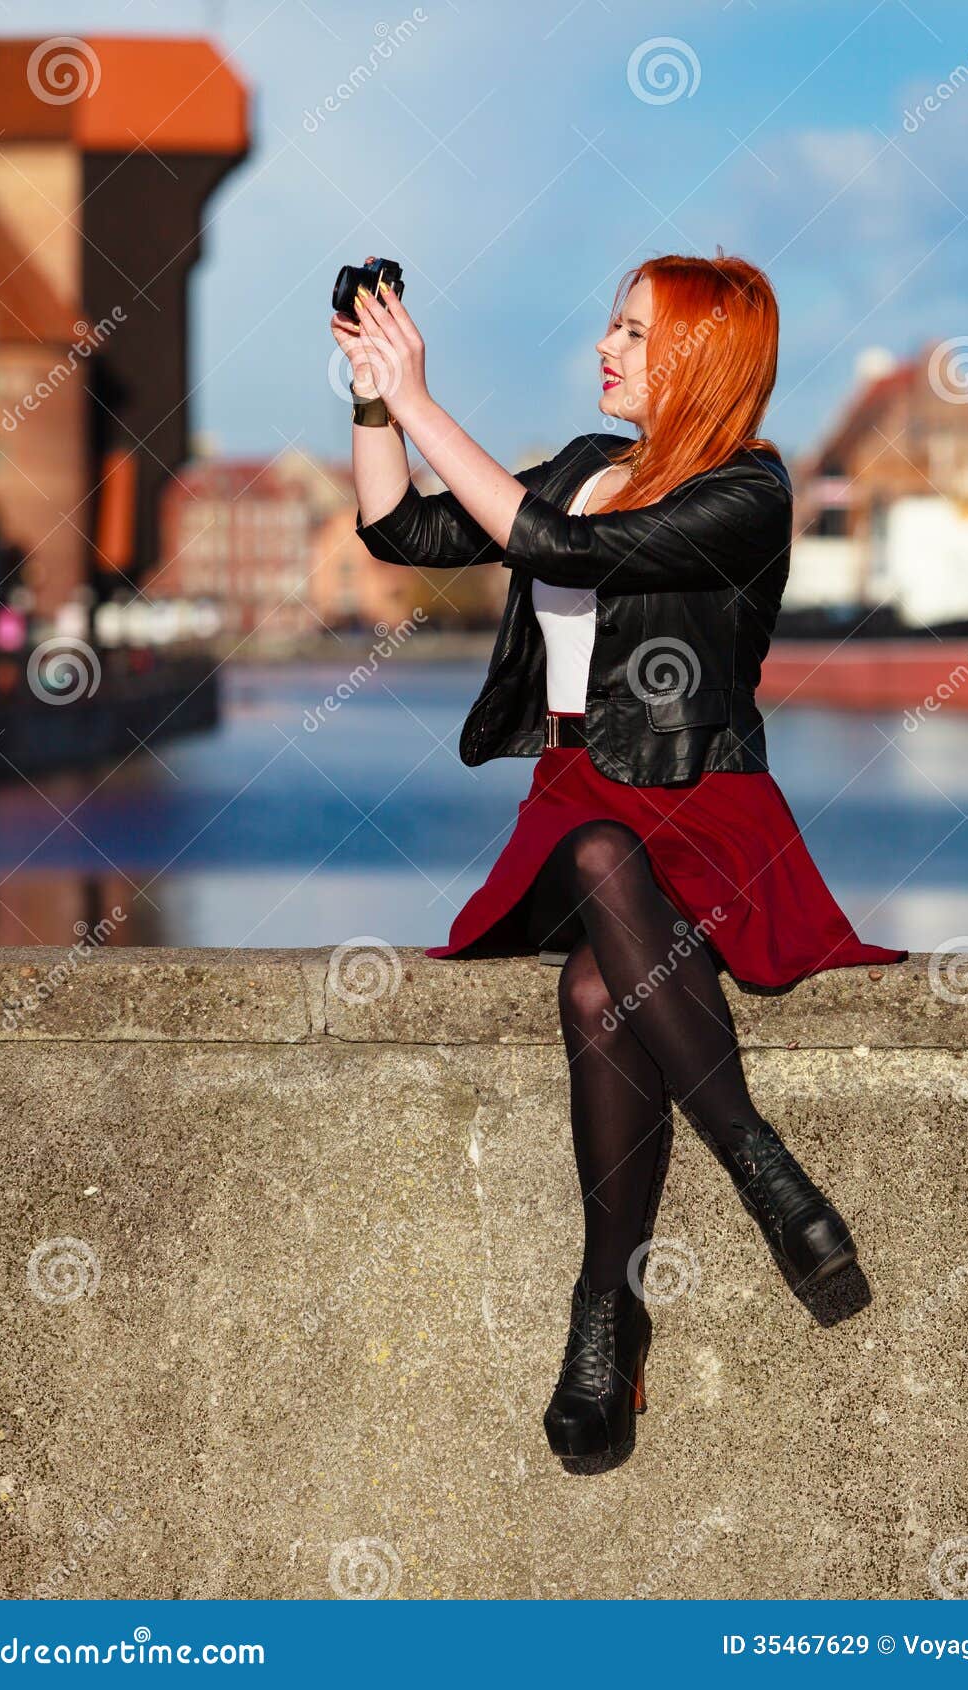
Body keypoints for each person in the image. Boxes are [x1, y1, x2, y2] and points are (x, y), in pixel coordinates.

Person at [331, 252, 908, 1475]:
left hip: (705, 809)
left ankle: (606, 1309)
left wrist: (429, 400)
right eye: (612, 322)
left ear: (700, 356)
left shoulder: (746, 490)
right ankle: (760, 1166)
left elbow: (565, 550)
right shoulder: (583, 466)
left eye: (637, 333)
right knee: (594, 849)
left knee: (598, 989)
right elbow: (404, 528)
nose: (607, 344)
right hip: (576, 804)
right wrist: (375, 393)